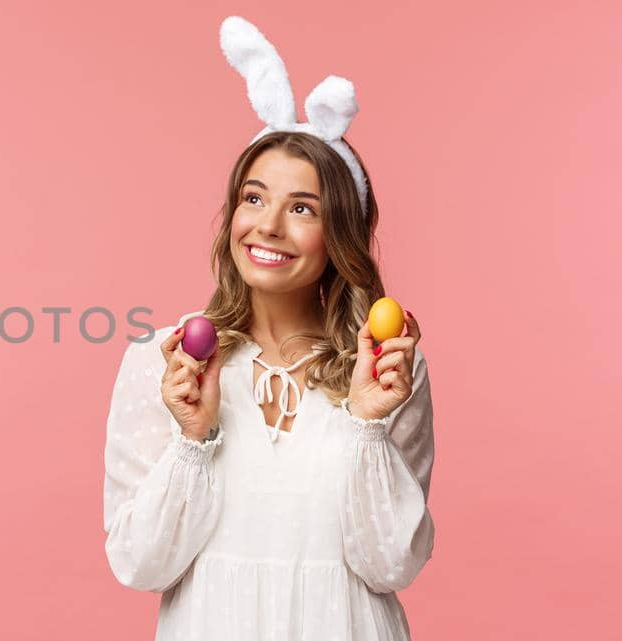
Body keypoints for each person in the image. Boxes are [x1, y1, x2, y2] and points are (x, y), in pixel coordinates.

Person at [101, 18, 434, 640]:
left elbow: (390, 564)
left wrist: (368, 424)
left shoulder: (387, 366)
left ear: (341, 235)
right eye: (254, 199)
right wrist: (192, 439)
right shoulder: (167, 362)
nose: (269, 226)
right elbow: (139, 564)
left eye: (302, 207)